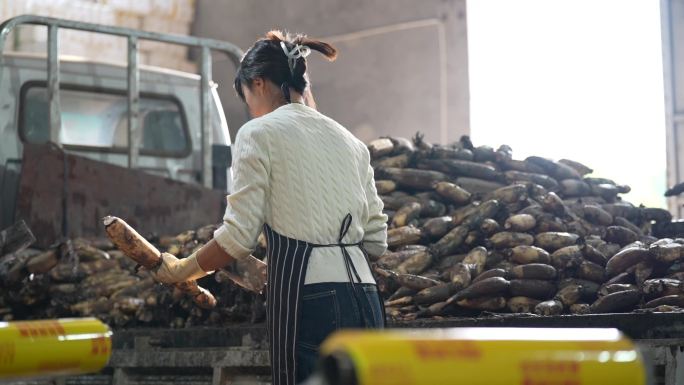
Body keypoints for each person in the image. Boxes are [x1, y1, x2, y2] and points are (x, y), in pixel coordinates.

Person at [147, 30, 388, 385]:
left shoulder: (257, 133)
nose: (250, 108)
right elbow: (377, 242)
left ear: (257, 83)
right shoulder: (351, 142)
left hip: (311, 301)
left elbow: (238, 238)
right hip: (366, 300)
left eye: (246, 98)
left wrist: (184, 269)